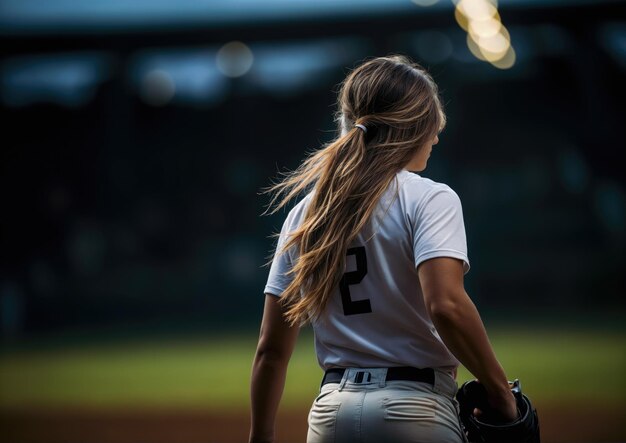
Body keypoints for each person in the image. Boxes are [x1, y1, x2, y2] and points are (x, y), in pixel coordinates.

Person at [249, 55, 518, 443]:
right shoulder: (430, 198)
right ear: (412, 129)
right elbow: (446, 305)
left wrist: (261, 435)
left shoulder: (306, 213)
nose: (436, 137)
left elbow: (271, 349)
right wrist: (499, 390)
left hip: (330, 415)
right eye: (432, 127)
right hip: (414, 410)